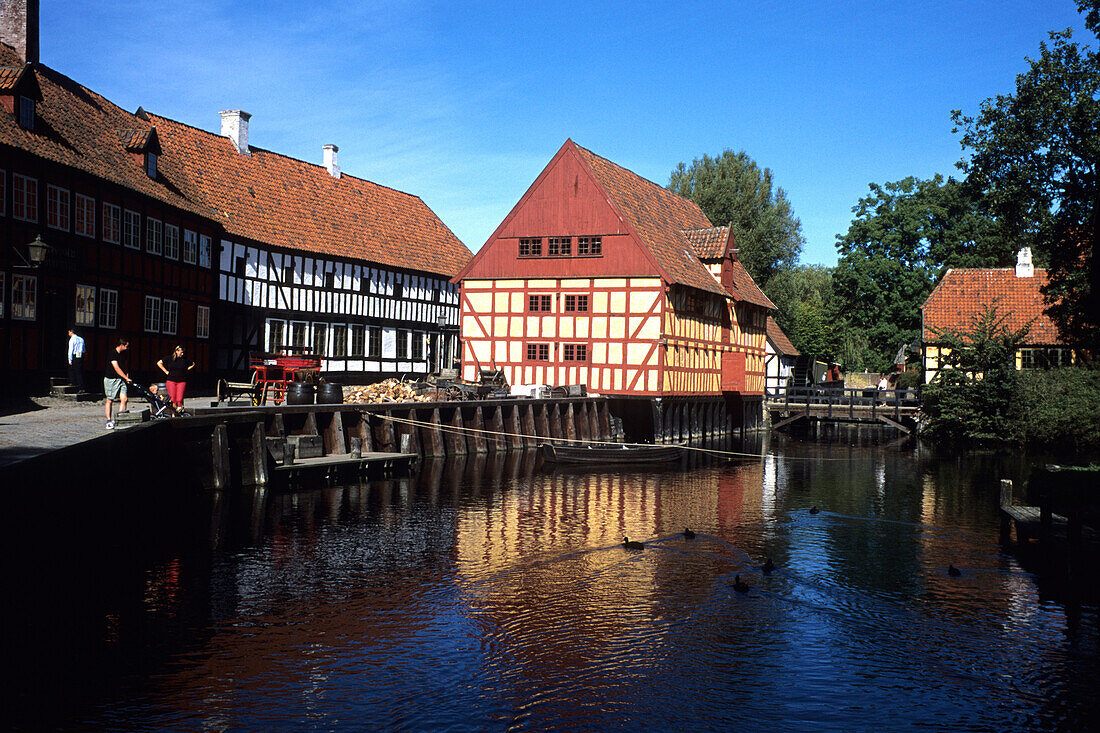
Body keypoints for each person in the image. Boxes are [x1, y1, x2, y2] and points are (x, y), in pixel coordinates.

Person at [104, 338, 131, 429]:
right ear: (121, 345)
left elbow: (125, 365)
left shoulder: (124, 354)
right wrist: (126, 377)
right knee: (110, 399)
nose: (128, 348)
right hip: (111, 379)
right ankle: (108, 420)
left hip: (121, 379)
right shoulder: (112, 354)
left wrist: (127, 376)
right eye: (126, 346)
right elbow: (117, 368)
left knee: (124, 399)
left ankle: (119, 419)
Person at [66, 327, 86, 391]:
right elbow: (84, 349)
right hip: (80, 355)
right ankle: (79, 384)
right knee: (79, 371)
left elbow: (70, 350)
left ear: (71, 332)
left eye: (69, 332)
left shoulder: (72, 339)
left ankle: (74, 383)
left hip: (75, 355)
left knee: (72, 370)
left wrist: (70, 359)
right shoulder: (81, 339)